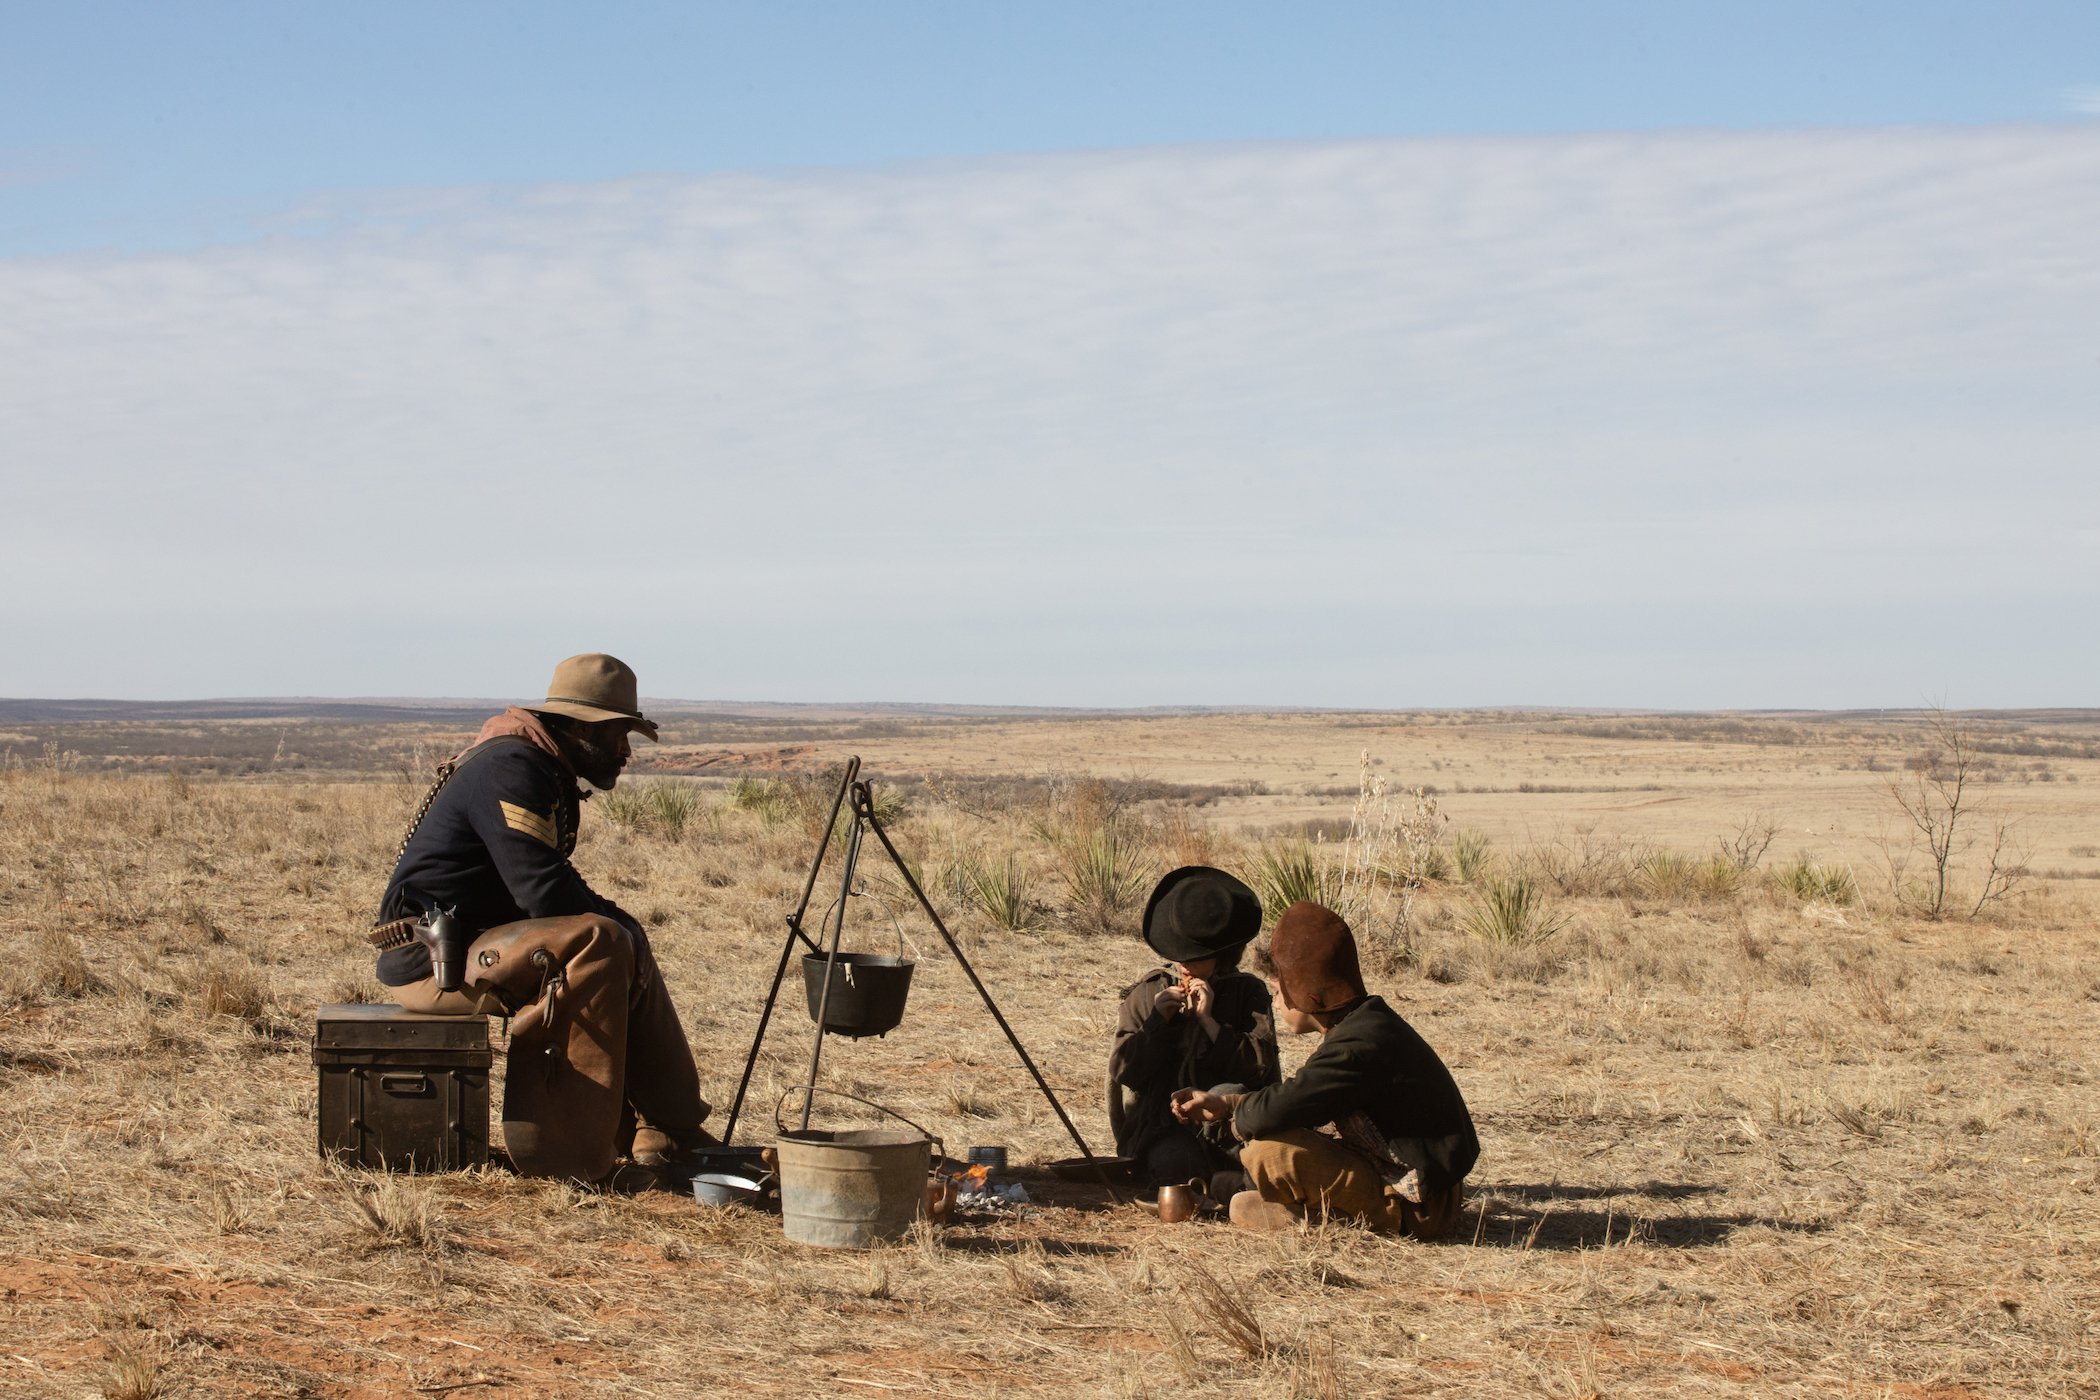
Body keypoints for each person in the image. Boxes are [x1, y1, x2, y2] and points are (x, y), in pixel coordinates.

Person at [369, 653, 713, 1188]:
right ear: (580, 727)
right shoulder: (513, 768)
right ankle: (566, 1158)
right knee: (598, 939)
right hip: (433, 963)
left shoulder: (537, 766)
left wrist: (628, 931)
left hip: (467, 949)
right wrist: (620, 926)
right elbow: (544, 892)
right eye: (621, 735)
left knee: (619, 935)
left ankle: (672, 1132)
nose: (626, 752)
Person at [1172, 900, 1479, 1237]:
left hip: (1420, 1208)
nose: (1275, 1002)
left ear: (1308, 995)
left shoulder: (1358, 1046)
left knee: (1267, 1153)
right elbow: (1299, 1093)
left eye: (1278, 990)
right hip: (1401, 1179)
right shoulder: (1364, 1024)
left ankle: (1345, 1217)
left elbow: (1278, 1110)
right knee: (1240, 1117)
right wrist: (1227, 1105)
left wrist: (1234, 1123)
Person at [1109, 866, 1279, 1200]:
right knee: (1177, 1172)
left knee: (1248, 1167)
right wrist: (1158, 1023)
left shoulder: (1248, 993)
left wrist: (1210, 1023)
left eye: (1197, 957)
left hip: (1231, 1124)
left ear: (1222, 955)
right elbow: (1124, 1072)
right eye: (1179, 955)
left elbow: (1262, 1068)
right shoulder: (1146, 993)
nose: (1185, 966)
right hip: (1161, 1125)